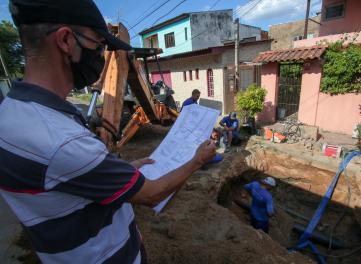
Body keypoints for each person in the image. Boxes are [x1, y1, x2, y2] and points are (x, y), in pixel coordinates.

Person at [0, 1, 216, 264]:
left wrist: (114, 172)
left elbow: (70, 185)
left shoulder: (11, 113)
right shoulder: (64, 142)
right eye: (98, 46)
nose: (101, 58)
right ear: (66, 40)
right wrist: (197, 161)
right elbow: (151, 194)